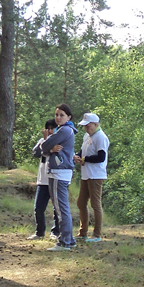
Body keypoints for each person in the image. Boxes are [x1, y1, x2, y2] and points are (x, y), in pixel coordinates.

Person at [40, 104, 77, 251]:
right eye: (56, 115)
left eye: (62, 115)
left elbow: (45, 145)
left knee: (61, 209)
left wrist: (49, 146)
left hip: (59, 173)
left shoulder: (65, 130)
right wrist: (51, 147)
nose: (58, 118)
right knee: (62, 207)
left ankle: (65, 242)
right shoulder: (66, 130)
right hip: (61, 172)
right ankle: (70, 239)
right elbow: (48, 147)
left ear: (69, 117)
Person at [74, 113, 110, 242]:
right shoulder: (87, 136)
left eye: (88, 126)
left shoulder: (101, 137)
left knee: (95, 204)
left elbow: (101, 157)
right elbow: (83, 151)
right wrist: (78, 156)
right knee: (81, 202)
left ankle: (97, 234)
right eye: (84, 126)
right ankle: (83, 232)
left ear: (95, 124)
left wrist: (85, 159)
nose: (86, 129)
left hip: (96, 175)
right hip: (86, 173)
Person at [29, 119, 60, 240]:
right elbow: (36, 153)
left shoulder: (60, 142)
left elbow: (57, 155)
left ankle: (56, 232)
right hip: (42, 180)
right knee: (38, 207)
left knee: (57, 207)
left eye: (53, 128)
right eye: (49, 128)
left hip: (55, 179)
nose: (51, 131)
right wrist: (46, 141)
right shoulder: (42, 141)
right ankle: (39, 232)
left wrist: (50, 148)